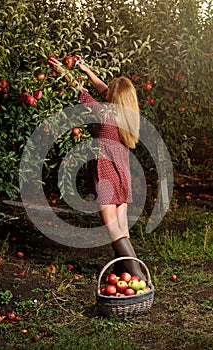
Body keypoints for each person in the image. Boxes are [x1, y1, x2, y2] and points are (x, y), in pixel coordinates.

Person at [49, 56, 146, 280]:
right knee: (122, 227)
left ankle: (137, 273)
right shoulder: (126, 113)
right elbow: (104, 90)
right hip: (122, 174)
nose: (106, 92)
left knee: (112, 229)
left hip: (106, 174)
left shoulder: (103, 114)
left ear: (114, 97)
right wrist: (87, 69)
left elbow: (80, 92)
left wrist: (64, 71)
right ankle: (120, 272)